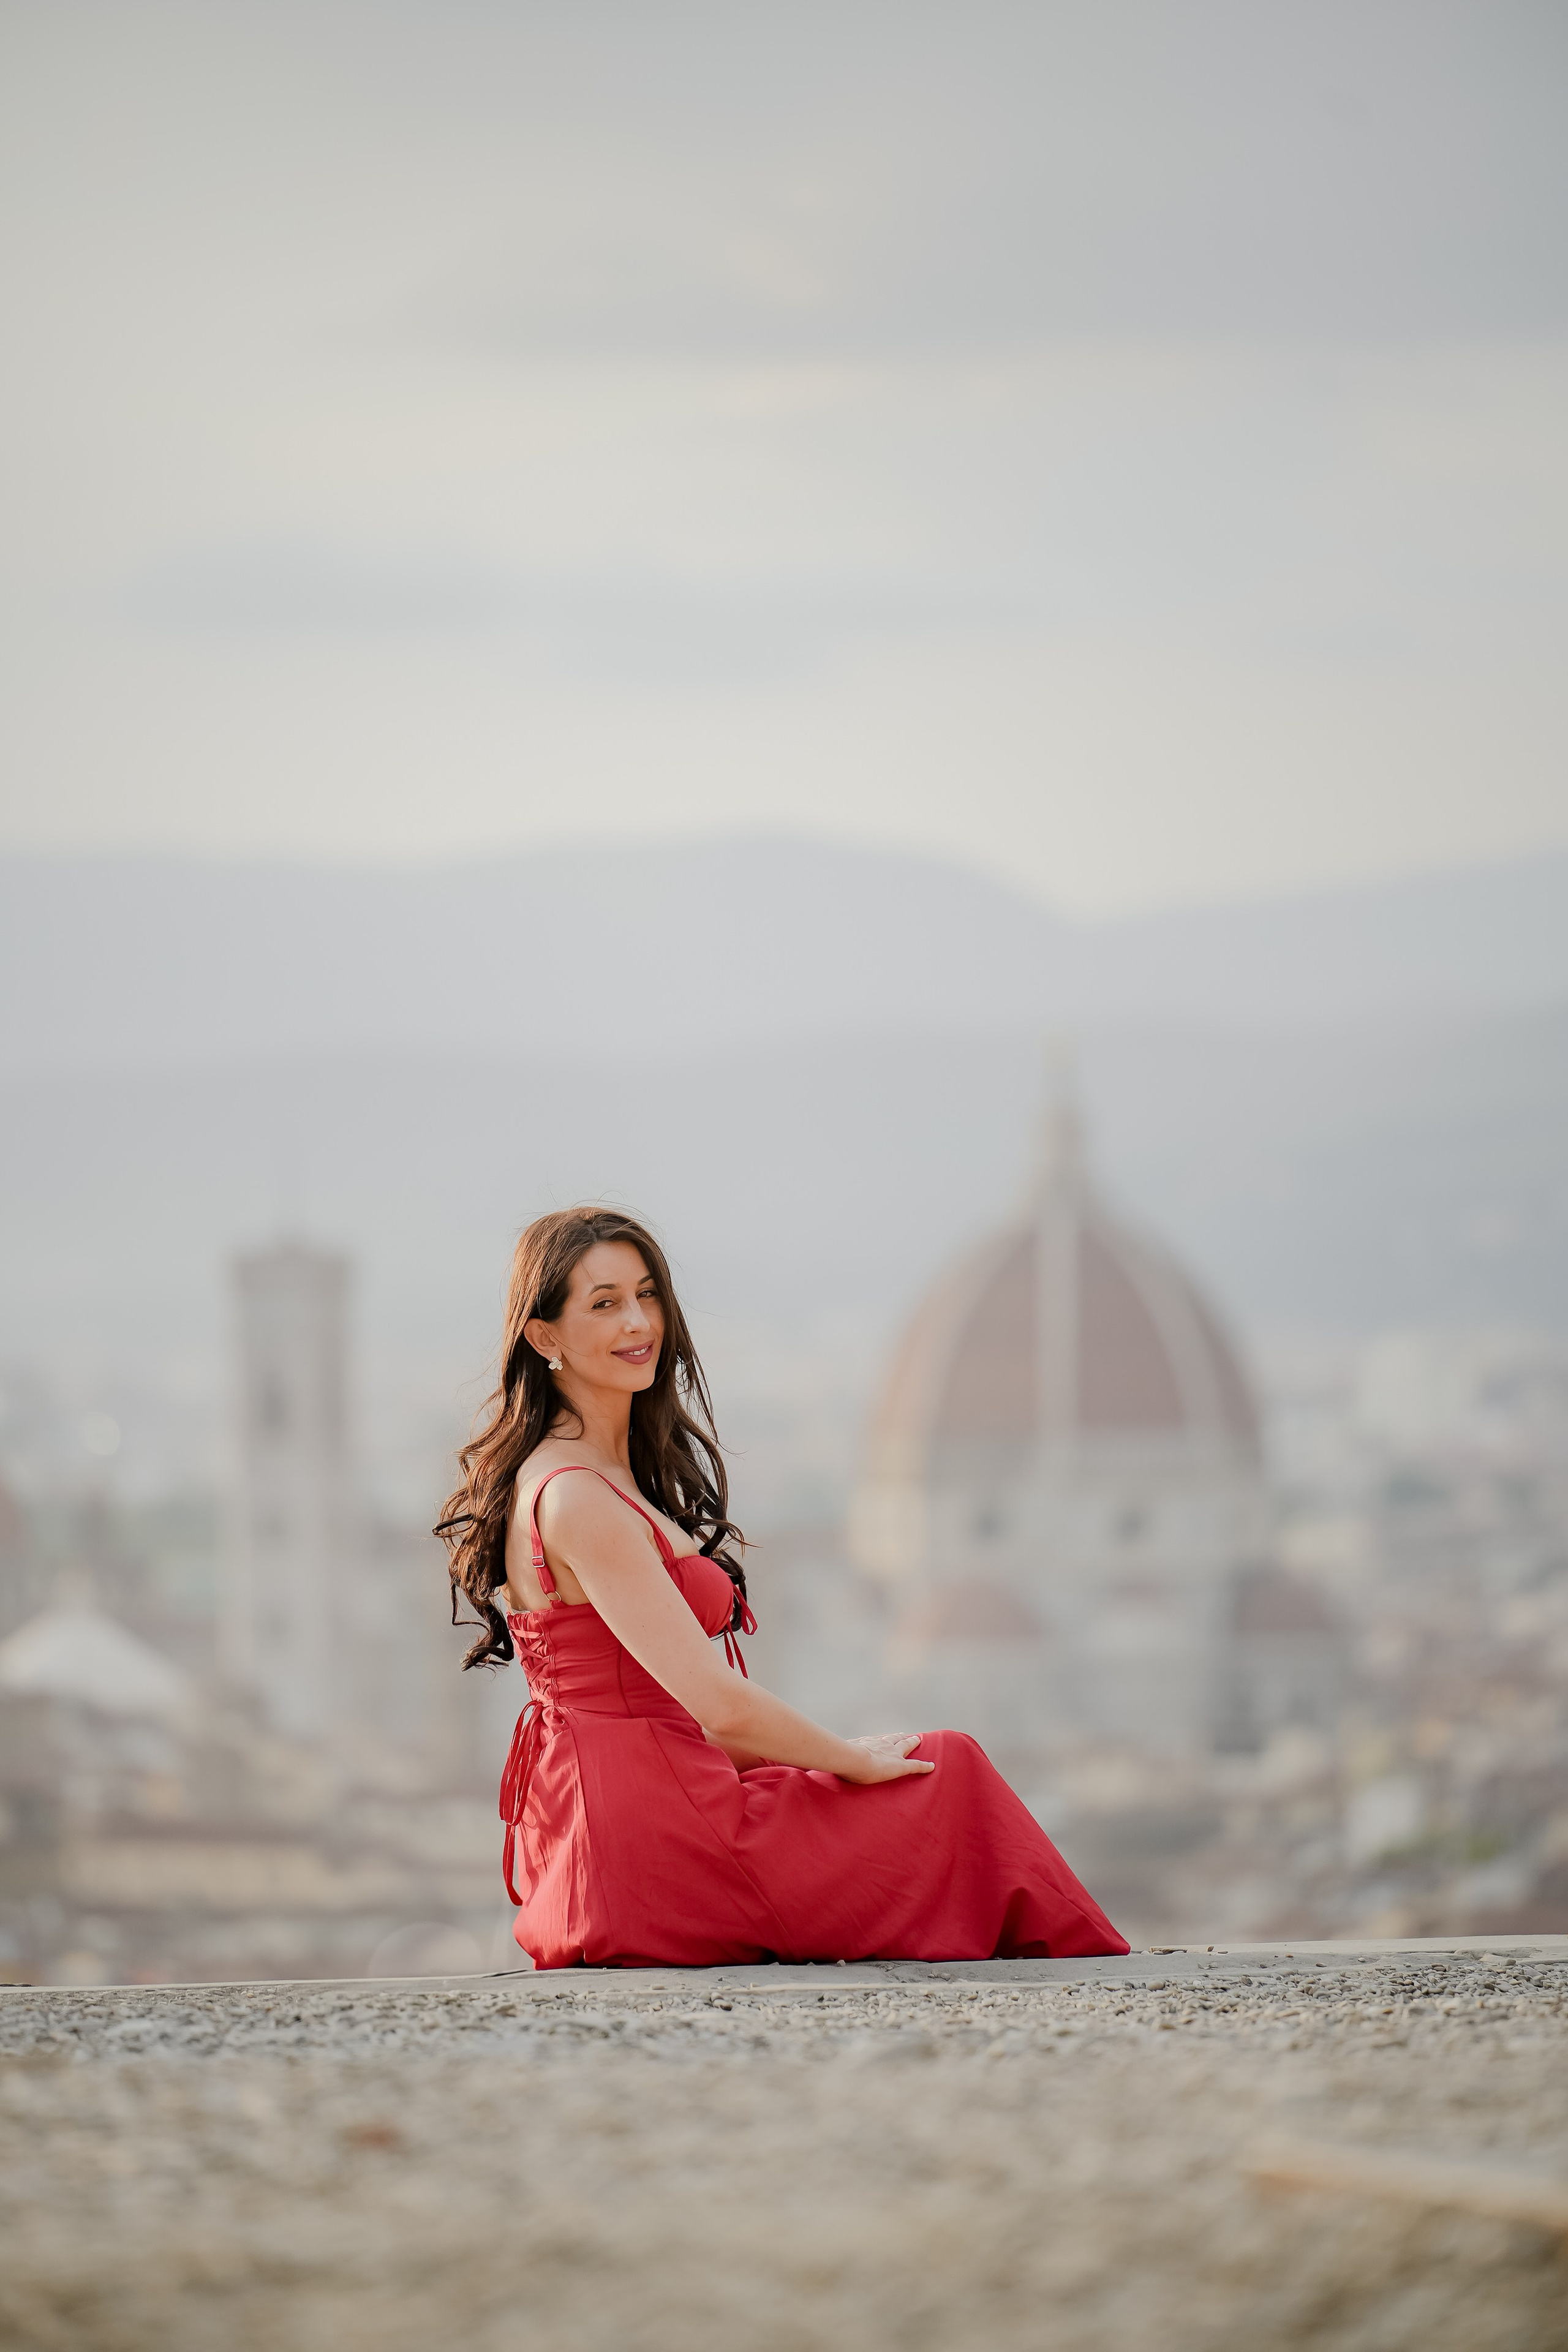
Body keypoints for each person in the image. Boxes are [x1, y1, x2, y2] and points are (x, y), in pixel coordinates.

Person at [437, 1207, 1128, 1969]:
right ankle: (1109, 2020)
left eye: (647, 1293)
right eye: (603, 1304)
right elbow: (718, 1705)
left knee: (939, 1769)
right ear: (544, 1337)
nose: (638, 1322)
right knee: (949, 1771)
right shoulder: (578, 1498)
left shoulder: (587, 1474)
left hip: (647, 1816)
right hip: (657, 1844)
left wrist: (821, 1761)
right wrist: (846, 1760)